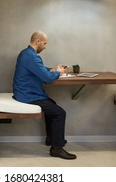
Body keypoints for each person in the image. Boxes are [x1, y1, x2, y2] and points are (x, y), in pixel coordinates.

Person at [12, 31, 77, 160]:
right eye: (44, 43)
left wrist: (52, 69)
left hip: (23, 92)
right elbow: (47, 79)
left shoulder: (26, 53)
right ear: (38, 41)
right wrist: (57, 73)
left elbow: (39, 69)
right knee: (59, 113)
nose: (45, 46)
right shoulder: (32, 56)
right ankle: (57, 148)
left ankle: (51, 139)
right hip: (28, 95)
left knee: (52, 106)